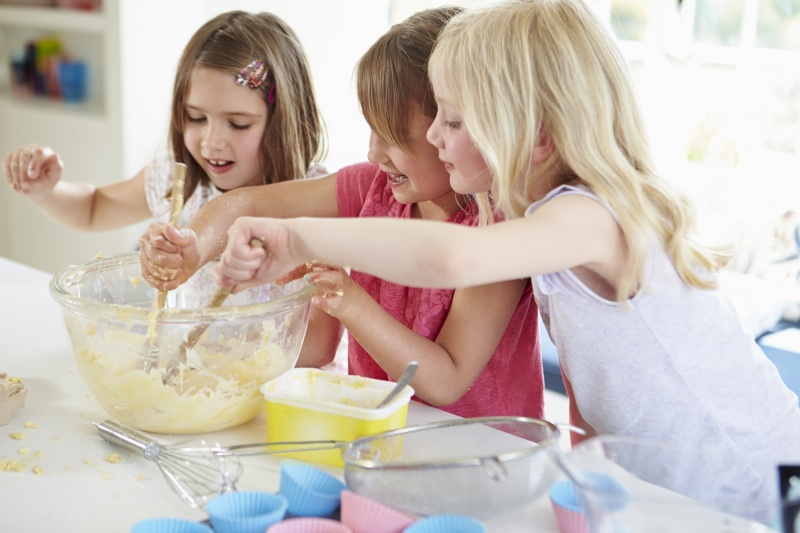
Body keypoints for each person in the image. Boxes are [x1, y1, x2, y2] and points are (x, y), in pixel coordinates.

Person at [213, 0, 800, 481]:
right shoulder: (530, 220)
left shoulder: (591, 217)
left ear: (535, 137)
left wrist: (298, 239)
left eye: (454, 119)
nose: (436, 136)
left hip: (752, 474)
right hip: (662, 478)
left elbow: (451, 259)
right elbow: (595, 372)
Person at [139, 7, 545, 419]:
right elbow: (243, 203)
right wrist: (193, 248)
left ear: (464, 124)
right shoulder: (372, 187)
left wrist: (348, 301)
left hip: (478, 451)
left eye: (396, 137)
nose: (373, 152)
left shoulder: (499, 227)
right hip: (377, 435)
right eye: (372, 129)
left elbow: (447, 380)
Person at [2, 11, 326, 232]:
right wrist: (46, 190)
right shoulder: (179, 184)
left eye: (238, 124)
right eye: (195, 117)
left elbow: (321, 329)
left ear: (283, 119)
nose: (211, 141)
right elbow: (92, 209)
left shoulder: (319, 200)